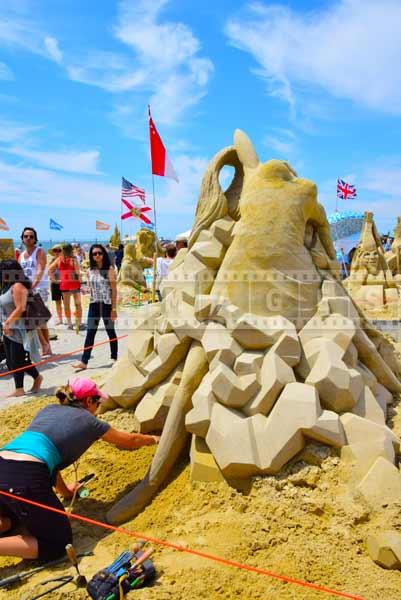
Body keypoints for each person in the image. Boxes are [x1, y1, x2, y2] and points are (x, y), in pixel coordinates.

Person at [0, 377, 159, 560]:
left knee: (12, 519)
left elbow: (48, 464)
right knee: (58, 543)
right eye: (97, 403)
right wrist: (154, 439)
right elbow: (130, 441)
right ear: (89, 401)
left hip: (5, 461)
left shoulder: (48, 409)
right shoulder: (91, 422)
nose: (98, 409)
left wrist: (67, 491)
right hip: (25, 476)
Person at [0, 259, 43, 397]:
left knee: (17, 360)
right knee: (12, 362)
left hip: (19, 329)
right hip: (8, 329)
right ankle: (37, 377)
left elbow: (20, 308)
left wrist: (7, 323)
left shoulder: (18, 286)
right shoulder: (6, 286)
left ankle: (19, 389)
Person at [73, 244, 117, 371]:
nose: (97, 255)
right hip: (94, 304)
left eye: (99, 253)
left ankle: (114, 357)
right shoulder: (89, 271)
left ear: (103, 254)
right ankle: (84, 361)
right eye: (94, 254)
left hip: (107, 304)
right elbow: (91, 288)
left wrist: (114, 309)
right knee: (90, 332)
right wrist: (87, 291)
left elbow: (114, 290)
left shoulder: (109, 269)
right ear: (91, 256)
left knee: (110, 331)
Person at [19, 227, 52, 356]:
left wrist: (33, 285)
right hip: (27, 289)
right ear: (22, 238)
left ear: (35, 239)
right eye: (26, 236)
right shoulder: (21, 255)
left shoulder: (39, 252)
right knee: (37, 319)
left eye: (31, 236)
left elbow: (40, 270)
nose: (28, 238)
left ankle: (45, 345)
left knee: (38, 319)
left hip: (39, 288)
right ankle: (46, 345)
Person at [48, 244, 84, 330]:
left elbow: (49, 269)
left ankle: (69, 323)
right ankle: (79, 323)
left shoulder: (59, 260)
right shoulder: (73, 260)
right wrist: (80, 281)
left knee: (66, 305)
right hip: (74, 284)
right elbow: (77, 272)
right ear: (71, 250)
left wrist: (55, 280)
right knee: (77, 304)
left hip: (64, 284)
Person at [48, 244, 64, 325]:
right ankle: (60, 320)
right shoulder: (51, 261)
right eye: (55, 250)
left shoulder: (64, 260)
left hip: (64, 283)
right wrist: (55, 281)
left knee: (66, 303)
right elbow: (49, 272)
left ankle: (68, 320)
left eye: (59, 250)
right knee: (58, 303)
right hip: (55, 283)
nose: (57, 252)